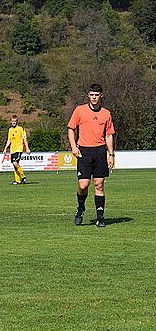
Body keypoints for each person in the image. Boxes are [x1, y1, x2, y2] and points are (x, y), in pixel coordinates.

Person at [68, 83, 115, 227]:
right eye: (92, 95)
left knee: (99, 184)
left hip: (100, 151)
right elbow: (71, 129)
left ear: (101, 95)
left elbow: (109, 135)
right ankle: (81, 208)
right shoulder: (79, 110)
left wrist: (111, 154)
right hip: (84, 152)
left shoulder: (106, 113)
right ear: (88, 95)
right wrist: (74, 147)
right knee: (83, 185)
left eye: (97, 95)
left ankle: (100, 217)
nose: (94, 97)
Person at [2, 115, 31, 185]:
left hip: (19, 149)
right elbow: (9, 140)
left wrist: (27, 148)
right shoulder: (10, 130)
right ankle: (17, 181)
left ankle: (23, 176)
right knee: (14, 165)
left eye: (15, 121)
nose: (13, 123)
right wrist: (5, 148)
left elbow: (24, 139)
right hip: (12, 150)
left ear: (17, 121)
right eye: (12, 121)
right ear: (10, 122)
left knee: (15, 163)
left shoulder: (21, 129)